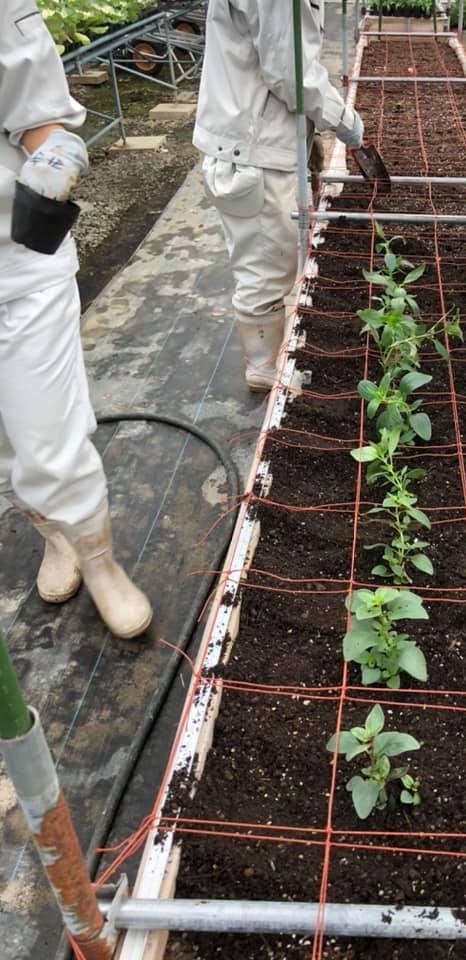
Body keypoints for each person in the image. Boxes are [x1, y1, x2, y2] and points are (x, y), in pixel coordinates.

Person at [0, 0, 152, 639]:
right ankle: (56, 538)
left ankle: (100, 561)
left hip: (13, 261)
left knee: (50, 428)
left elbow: (34, 108)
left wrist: (56, 147)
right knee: (9, 444)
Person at [193, 0, 365, 392]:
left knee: (272, 255)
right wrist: (345, 121)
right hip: (254, 149)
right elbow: (294, 74)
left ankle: (268, 358)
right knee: (264, 265)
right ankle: (264, 368)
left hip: (259, 137)